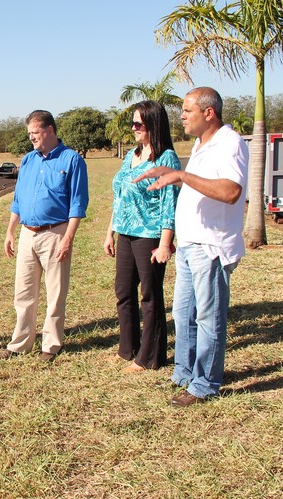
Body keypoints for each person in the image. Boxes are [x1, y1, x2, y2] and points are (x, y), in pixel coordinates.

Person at [134, 87, 248, 407]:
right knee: (184, 314)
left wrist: (181, 175)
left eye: (187, 110)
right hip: (188, 243)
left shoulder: (230, 143)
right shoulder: (201, 143)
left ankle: (205, 384)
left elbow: (230, 191)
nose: (181, 116)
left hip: (210, 246)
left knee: (208, 318)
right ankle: (184, 374)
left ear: (208, 113)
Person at [0, 110, 89, 362]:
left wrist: (68, 239)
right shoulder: (27, 160)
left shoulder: (72, 160)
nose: (31, 138)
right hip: (27, 233)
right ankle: (20, 343)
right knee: (23, 292)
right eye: (29, 134)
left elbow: (78, 205)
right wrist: (10, 231)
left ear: (49, 131)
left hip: (55, 233)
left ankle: (51, 345)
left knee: (55, 293)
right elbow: (18, 199)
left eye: (35, 133)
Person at [103, 101, 181, 373]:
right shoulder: (130, 156)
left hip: (149, 236)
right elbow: (119, 197)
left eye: (139, 124)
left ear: (153, 124)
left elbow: (169, 204)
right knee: (124, 293)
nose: (133, 128)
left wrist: (164, 244)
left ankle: (149, 357)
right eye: (132, 124)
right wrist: (110, 233)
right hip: (124, 233)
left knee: (150, 296)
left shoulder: (166, 158)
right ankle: (127, 349)